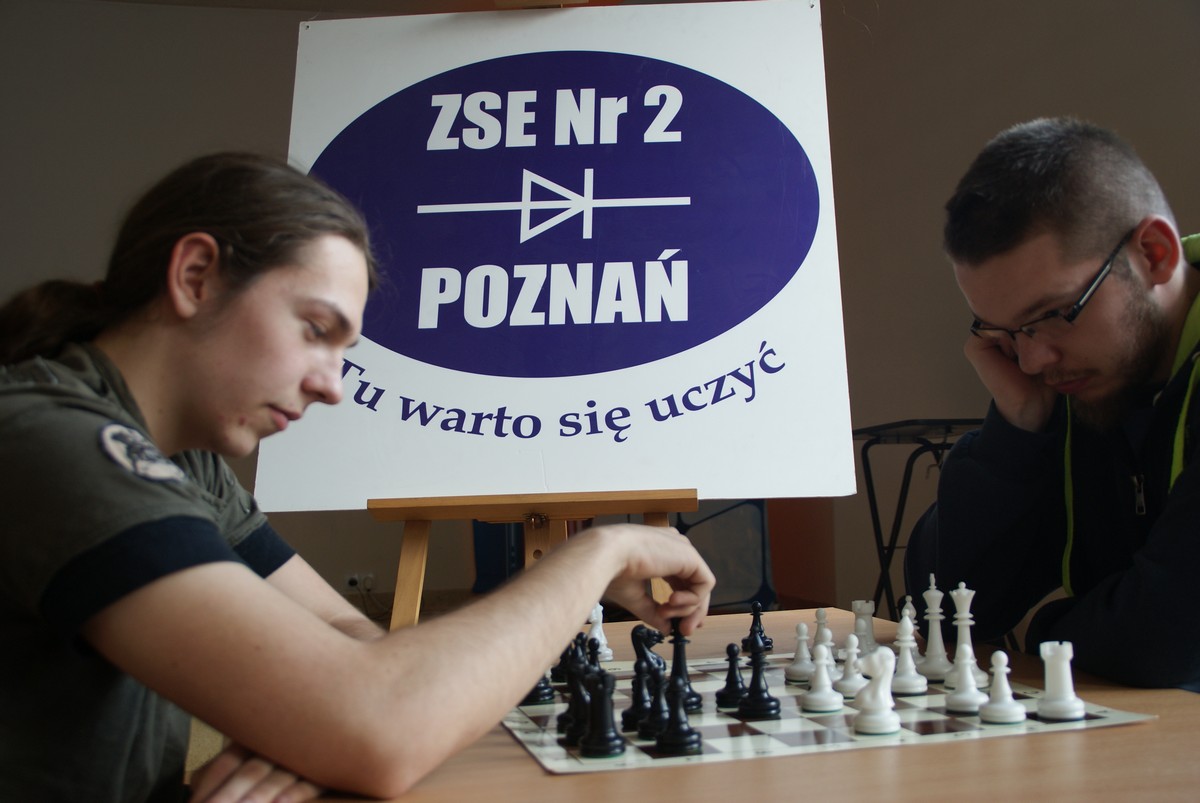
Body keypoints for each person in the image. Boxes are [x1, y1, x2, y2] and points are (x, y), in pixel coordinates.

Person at [0, 153, 715, 802]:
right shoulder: (50, 441)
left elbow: (349, 637)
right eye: (316, 329)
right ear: (196, 277)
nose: (332, 387)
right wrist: (603, 551)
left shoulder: (186, 463)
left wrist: (319, 727)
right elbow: (382, 723)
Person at [905, 117, 1200, 691]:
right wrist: (1016, 431)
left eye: (1054, 315)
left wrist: (1048, 630)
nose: (1034, 359)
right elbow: (945, 609)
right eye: (1007, 332)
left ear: (1155, 254)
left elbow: (1163, 642)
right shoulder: (1078, 384)